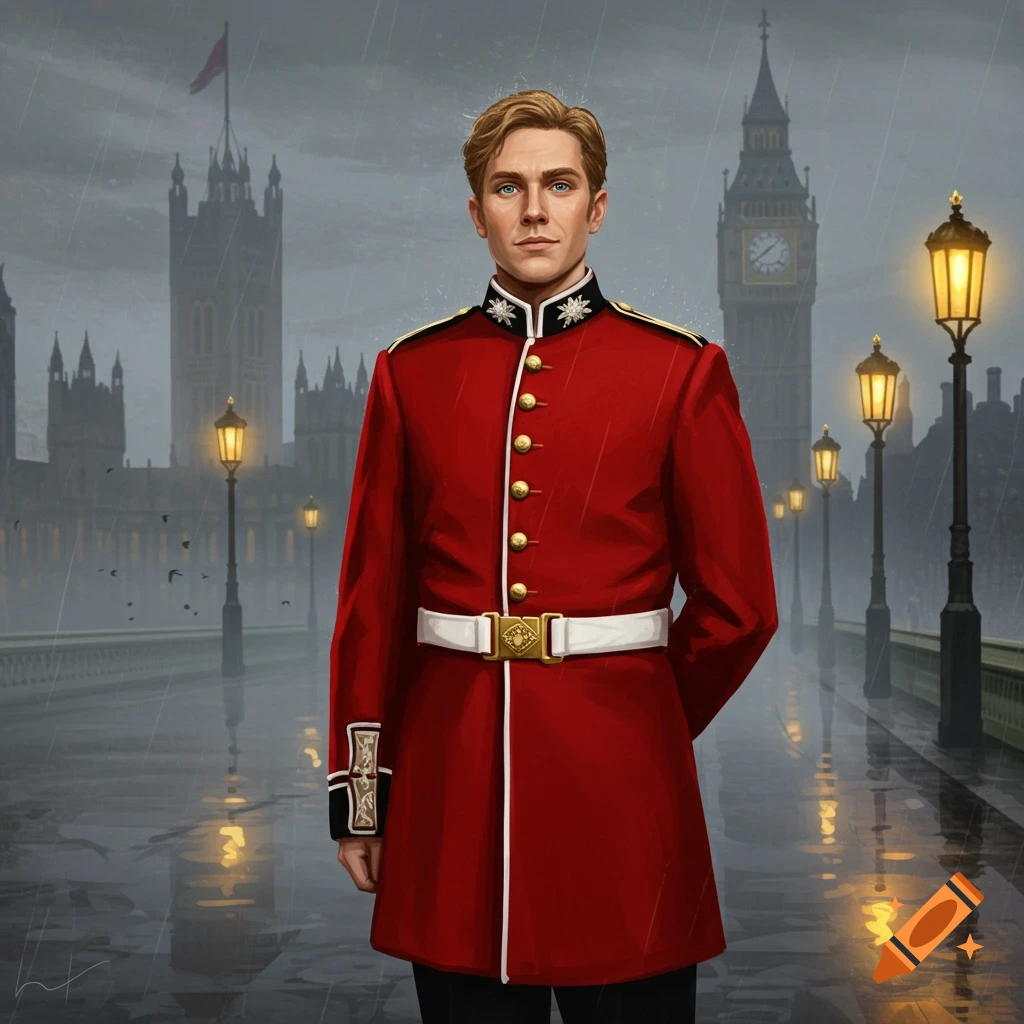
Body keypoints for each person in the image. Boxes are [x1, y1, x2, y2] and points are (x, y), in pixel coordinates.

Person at [328, 89, 778, 1023]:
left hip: (625, 812)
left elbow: (742, 606)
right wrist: (364, 797)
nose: (534, 210)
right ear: (476, 212)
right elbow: (374, 600)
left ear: (596, 207)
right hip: (452, 808)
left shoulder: (680, 370)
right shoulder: (411, 373)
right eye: (508, 187)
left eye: (559, 184)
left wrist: (641, 724)